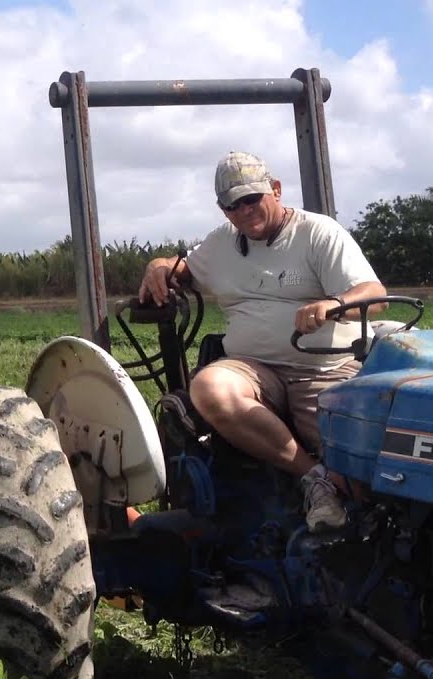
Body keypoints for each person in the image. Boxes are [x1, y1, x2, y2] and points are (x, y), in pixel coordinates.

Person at [137, 150, 387, 532]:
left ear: (276, 190)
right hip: (253, 367)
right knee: (209, 387)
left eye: (252, 199)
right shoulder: (222, 243)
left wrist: (333, 304)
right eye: (232, 205)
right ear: (223, 211)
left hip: (322, 367)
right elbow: (182, 269)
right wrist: (158, 266)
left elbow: (374, 293)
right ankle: (313, 479)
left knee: (360, 472)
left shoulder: (318, 233)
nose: (244, 211)